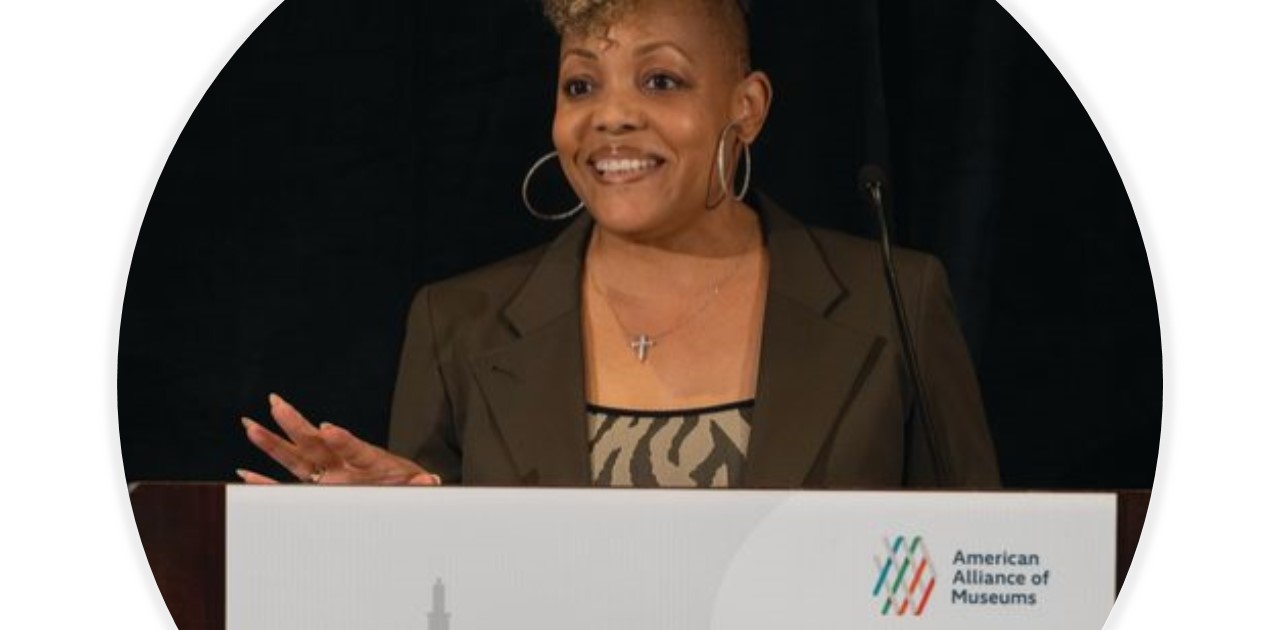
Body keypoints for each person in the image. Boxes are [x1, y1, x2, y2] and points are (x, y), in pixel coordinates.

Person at [238, 0, 1000, 489]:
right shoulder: (456, 324)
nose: (611, 117)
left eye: (660, 81)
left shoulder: (893, 302)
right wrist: (396, 531)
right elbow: (440, 613)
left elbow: (977, 580)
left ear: (748, 107)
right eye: (581, 85)